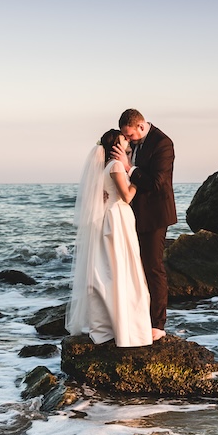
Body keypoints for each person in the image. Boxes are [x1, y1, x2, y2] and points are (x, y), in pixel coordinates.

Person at [66, 129, 153, 347]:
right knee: (122, 268)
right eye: (124, 139)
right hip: (118, 217)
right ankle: (125, 327)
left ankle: (107, 325)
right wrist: (136, 178)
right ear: (116, 145)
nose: (127, 140)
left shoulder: (106, 167)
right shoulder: (115, 166)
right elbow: (127, 195)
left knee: (110, 269)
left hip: (112, 216)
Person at [110, 108, 176, 340]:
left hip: (155, 214)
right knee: (135, 268)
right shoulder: (131, 141)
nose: (128, 139)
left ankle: (157, 324)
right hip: (132, 214)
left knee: (153, 267)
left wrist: (129, 168)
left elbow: (157, 183)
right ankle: (137, 317)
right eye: (125, 136)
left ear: (141, 126)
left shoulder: (163, 143)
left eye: (131, 135)